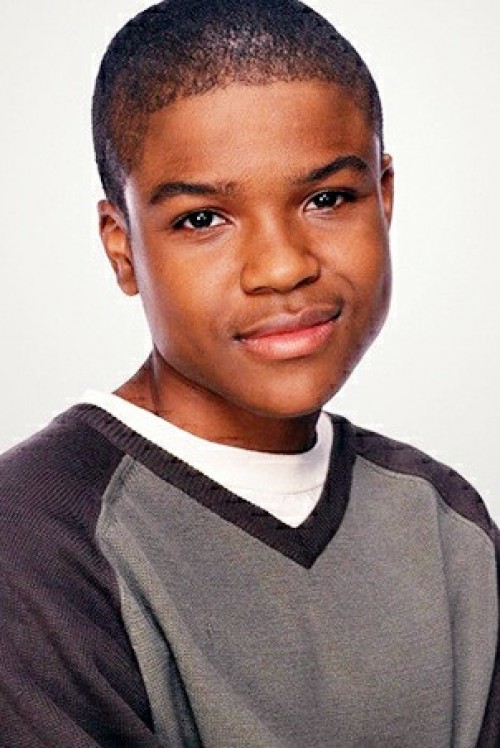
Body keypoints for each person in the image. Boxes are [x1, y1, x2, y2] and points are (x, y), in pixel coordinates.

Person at [0, 0, 498, 745]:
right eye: (202, 218)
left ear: (384, 198)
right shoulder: (36, 537)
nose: (282, 267)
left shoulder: (442, 520)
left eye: (327, 199)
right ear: (122, 247)